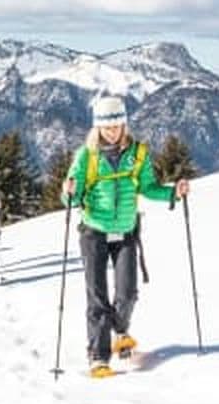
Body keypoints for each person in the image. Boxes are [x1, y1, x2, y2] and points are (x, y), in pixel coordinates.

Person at [63, 94, 190, 378]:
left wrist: (173, 193)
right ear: (98, 128)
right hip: (94, 230)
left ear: (124, 124)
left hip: (127, 229)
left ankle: (121, 333)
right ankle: (98, 356)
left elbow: (148, 187)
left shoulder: (138, 153)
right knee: (97, 296)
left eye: (117, 125)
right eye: (107, 127)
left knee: (128, 293)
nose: (112, 131)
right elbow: (72, 196)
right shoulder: (86, 156)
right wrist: (68, 191)